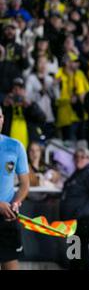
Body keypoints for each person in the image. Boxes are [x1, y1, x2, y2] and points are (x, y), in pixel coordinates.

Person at [0, 106, 30, 270]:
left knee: (11, 266)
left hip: (7, 218)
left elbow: (25, 184)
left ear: (3, 119)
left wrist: (17, 202)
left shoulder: (15, 146)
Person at [1, 78, 46, 148]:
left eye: (20, 89)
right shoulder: (6, 106)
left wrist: (30, 106)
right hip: (8, 147)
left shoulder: (29, 106)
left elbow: (42, 119)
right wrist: (4, 106)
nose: (17, 92)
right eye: (15, 89)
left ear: (24, 91)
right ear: (11, 92)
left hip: (27, 148)